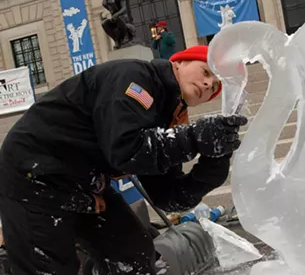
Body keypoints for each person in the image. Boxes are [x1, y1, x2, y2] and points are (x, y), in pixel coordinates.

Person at [0, 45, 247, 275]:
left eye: (214, 87)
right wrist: (195, 137)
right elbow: (126, 149)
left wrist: (214, 165)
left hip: (83, 181)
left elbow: (167, 195)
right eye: (206, 71)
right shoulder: (134, 76)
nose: (207, 84)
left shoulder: (169, 115)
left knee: (133, 256)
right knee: (48, 268)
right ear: (179, 62)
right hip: (34, 173)